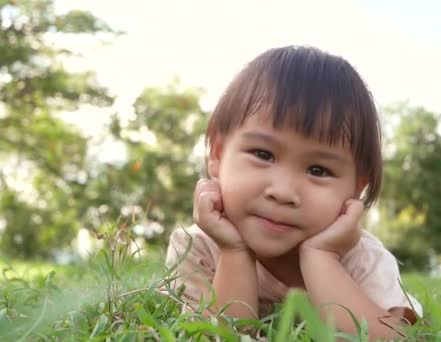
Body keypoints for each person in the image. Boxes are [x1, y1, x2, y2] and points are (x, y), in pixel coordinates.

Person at [165, 45, 422, 339]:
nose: (283, 192)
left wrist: (322, 257)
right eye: (263, 154)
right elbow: (218, 335)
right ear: (219, 154)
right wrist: (234, 251)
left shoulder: (362, 258)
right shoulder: (197, 247)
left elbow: (394, 337)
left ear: (355, 188)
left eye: (318, 170)